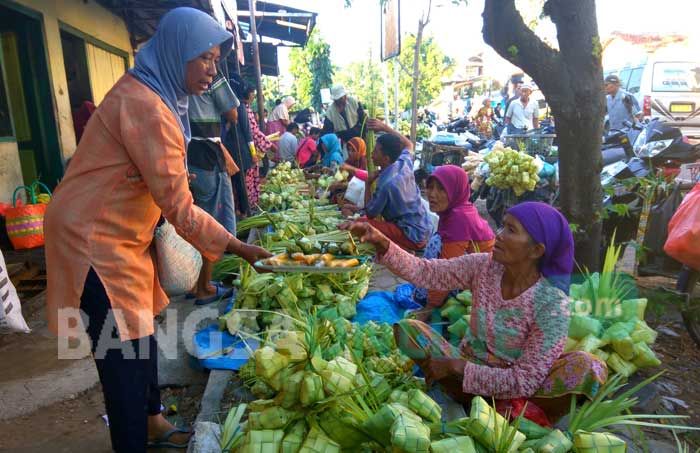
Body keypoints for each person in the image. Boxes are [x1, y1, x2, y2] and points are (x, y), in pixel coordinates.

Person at [43, 8, 271, 453]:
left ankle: (152, 421)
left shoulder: (157, 93)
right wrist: (240, 248)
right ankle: (131, 438)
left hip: (121, 233)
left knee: (142, 332)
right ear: (176, 52)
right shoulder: (147, 105)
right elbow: (180, 207)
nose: (212, 69)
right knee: (122, 352)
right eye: (203, 57)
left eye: (215, 59)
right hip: (95, 238)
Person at [342, 202, 607, 421]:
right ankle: (472, 400)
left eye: (511, 230)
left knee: (587, 365)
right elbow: (426, 272)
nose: (499, 234)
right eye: (502, 225)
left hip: (513, 387)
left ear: (537, 250)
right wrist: (381, 242)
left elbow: (525, 380)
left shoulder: (551, 304)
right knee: (409, 330)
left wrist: (459, 369)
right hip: (467, 363)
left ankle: (497, 408)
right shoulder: (485, 266)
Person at [186, 70, 240, 305]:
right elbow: (233, 113)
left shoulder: (177, 71)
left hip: (190, 157)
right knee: (211, 223)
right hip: (208, 157)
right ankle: (205, 288)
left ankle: (196, 283)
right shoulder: (210, 74)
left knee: (196, 220)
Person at [412, 165, 495, 316]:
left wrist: (429, 308)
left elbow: (448, 271)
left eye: (441, 189)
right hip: (471, 274)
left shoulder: (459, 218)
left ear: (455, 190)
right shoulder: (457, 210)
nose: (432, 194)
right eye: (430, 187)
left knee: (435, 244)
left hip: (480, 286)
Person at [356, 119, 432, 251]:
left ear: (386, 158)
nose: (372, 155)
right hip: (425, 229)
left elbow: (370, 213)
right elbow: (408, 144)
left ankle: (401, 249)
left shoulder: (386, 184)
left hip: (413, 236)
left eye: (376, 151)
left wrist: (368, 184)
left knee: (362, 224)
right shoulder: (404, 162)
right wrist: (384, 127)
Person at [224, 76, 256, 217]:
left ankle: (241, 210)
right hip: (239, 151)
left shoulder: (227, 105)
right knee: (241, 184)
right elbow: (247, 132)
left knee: (237, 183)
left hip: (230, 150)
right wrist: (253, 153)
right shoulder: (239, 106)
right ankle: (244, 210)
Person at [242, 84, 273, 205]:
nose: (254, 96)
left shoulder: (243, 108)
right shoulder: (245, 109)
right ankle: (250, 205)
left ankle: (249, 204)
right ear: (248, 94)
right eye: (253, 94)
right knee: (249, 179)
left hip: (246, 150)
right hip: (248, 151)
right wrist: (269, 145)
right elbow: (253, 132)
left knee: (248, 180)